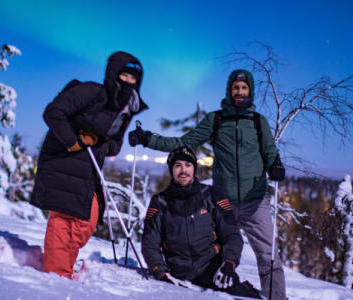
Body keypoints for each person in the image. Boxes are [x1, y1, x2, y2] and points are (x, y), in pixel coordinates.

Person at [131, 70, 286, 299]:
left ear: (250, 91)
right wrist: (148, 139)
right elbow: (184, 142)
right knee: (219, 249)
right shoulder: (217, 120)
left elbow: (270, 152)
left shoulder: (257, 121)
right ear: (229, 90)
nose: (240, 92)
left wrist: (276, 165)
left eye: (244, 88)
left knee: (267, 255)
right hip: (224, 200)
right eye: (236, 88)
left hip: (255, 200)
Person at [31, 51, 148, 279]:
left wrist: (100, 138)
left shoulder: (125, 109)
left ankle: (61, 266)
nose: (128, 82)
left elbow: (113, 147)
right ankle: (55, 277)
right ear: (113, 74)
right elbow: (53, 112)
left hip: (88, 170)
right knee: (64, 220)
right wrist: (73, 141)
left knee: (86, 221)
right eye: (124, 75)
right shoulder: (92, 92)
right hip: (63, 161)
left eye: (133, 79)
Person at [142, 146, 262, 298]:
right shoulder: (159, 202)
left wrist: (228, 264)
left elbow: (232, 235)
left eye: (188, 165)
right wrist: (161, 273)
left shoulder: (212, 196)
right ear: (171, 170)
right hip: (178, 276)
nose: (183, 170)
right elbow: (149, 243)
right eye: (177, 166)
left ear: (194, 168)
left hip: (215, 273)